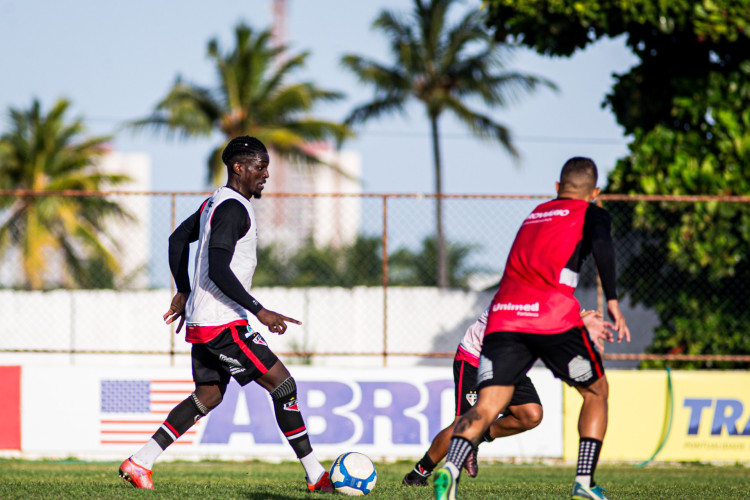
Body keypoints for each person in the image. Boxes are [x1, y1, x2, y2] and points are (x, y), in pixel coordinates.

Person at [118, 136, 334, 493]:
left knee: (209, 395)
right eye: (260, 166)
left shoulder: (213, 203)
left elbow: (175, 240)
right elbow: (218, 268)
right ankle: (316, 475)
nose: (266, 173)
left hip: (206, 321)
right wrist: (260, 311)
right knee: (283, 385)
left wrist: (185, 292)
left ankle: (140, 461)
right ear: (239, 167)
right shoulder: (233, 208)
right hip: (222, 323)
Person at [433, 157, 630, 500]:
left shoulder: (535, 214)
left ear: (556, 188)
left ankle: (450, 468)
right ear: (594, 192)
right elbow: (602, 247)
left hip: (505, 316)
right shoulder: (591, 212)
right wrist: (611, 300)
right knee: (596, 392)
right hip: (551, 317)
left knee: (487, 404)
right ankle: (584, 481)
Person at [403, 307, 612, 486]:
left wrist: (581, 321)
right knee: (463, 425)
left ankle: (476, 439)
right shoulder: (519, 288)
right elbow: (540, 329)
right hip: (476, 358)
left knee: (531, 414)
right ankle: (418, 474)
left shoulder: (559, 293)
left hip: (510, 362)